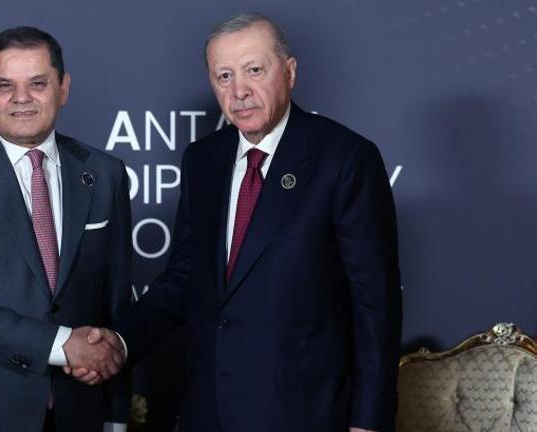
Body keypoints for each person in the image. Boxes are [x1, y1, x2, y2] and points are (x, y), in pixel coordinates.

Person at [74, 12, 402, 432]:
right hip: (209, 410)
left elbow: (375, 304)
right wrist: (120, 342)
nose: (239, 91)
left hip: (304, 412)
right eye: (224, 76)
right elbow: (184, 279)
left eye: (254, 70)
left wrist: (369, 421)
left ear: (289, 72)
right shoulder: (203, 159)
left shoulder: (345, 159)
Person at [0, 26, 130, 432]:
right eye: (5, 85)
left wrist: (115, 417)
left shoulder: (105, 173)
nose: (21, 98)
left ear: (63, 88)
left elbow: (115, 307)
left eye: (37, 83)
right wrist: (64, 345)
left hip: (80, 411)